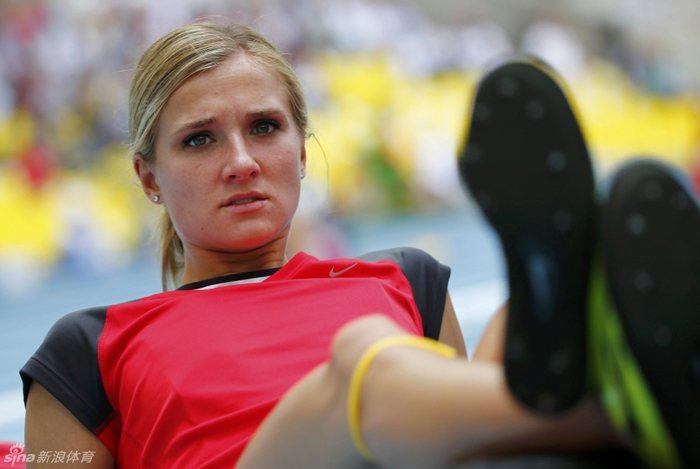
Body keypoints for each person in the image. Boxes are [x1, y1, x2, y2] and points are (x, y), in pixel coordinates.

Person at [20, 22, 698, 469]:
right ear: (148, 179)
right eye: (199, 139)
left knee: (527, 319)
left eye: (265, 127)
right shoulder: (85, 349)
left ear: (303, 152)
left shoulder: (409, 278)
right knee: (360, 359)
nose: (242, 161)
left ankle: (569, 323)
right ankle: (614, 414)